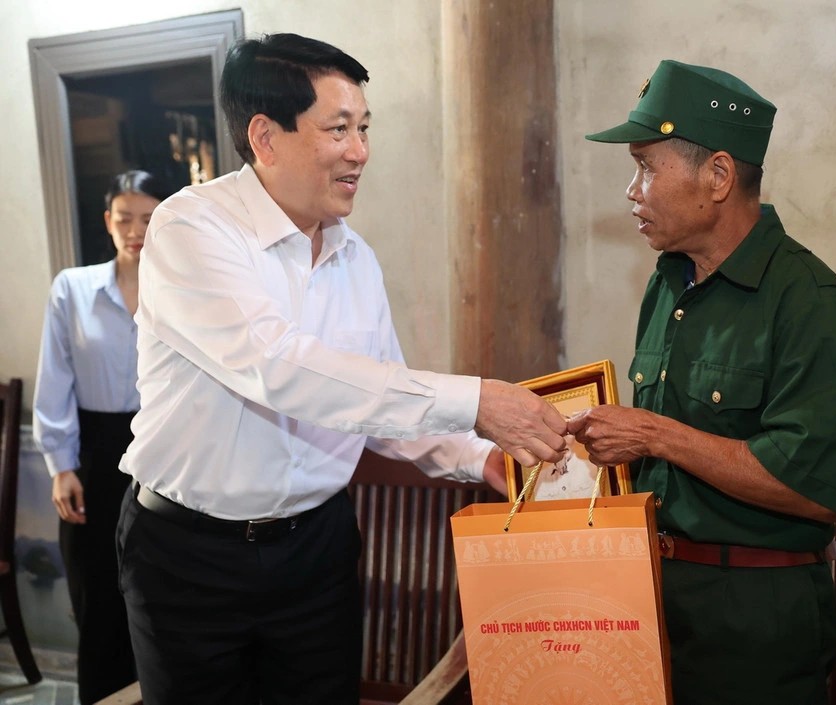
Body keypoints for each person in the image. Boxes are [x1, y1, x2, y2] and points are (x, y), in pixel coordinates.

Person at [116, 33, 566, 705]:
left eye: (364, 128)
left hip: (317, 549)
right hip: (190, 554)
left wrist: (481, 457)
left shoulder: (356, 258)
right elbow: (278, 367)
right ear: (265, 136)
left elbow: (373, 397)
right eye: (338, 130)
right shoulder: (192, 229)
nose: (360, 151)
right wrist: (475, 400)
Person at [567, 59, 836, 705]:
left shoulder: (810, 302)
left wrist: (654, 433)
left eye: (648, 166)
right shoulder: (669, 282)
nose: (633, 189)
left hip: (754, 622)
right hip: (654, 600)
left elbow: (808, 488)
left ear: (718, 175)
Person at [32, 170, 170, 705]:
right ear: (107, 221)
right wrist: (60, 465)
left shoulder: (187, 287)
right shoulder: (73, 287)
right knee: (98, 601)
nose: (136, 230)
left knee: (161, 602)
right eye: (125, 218)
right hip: (93, 454)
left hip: (163, 454)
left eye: (150, 219)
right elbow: (55, 379)